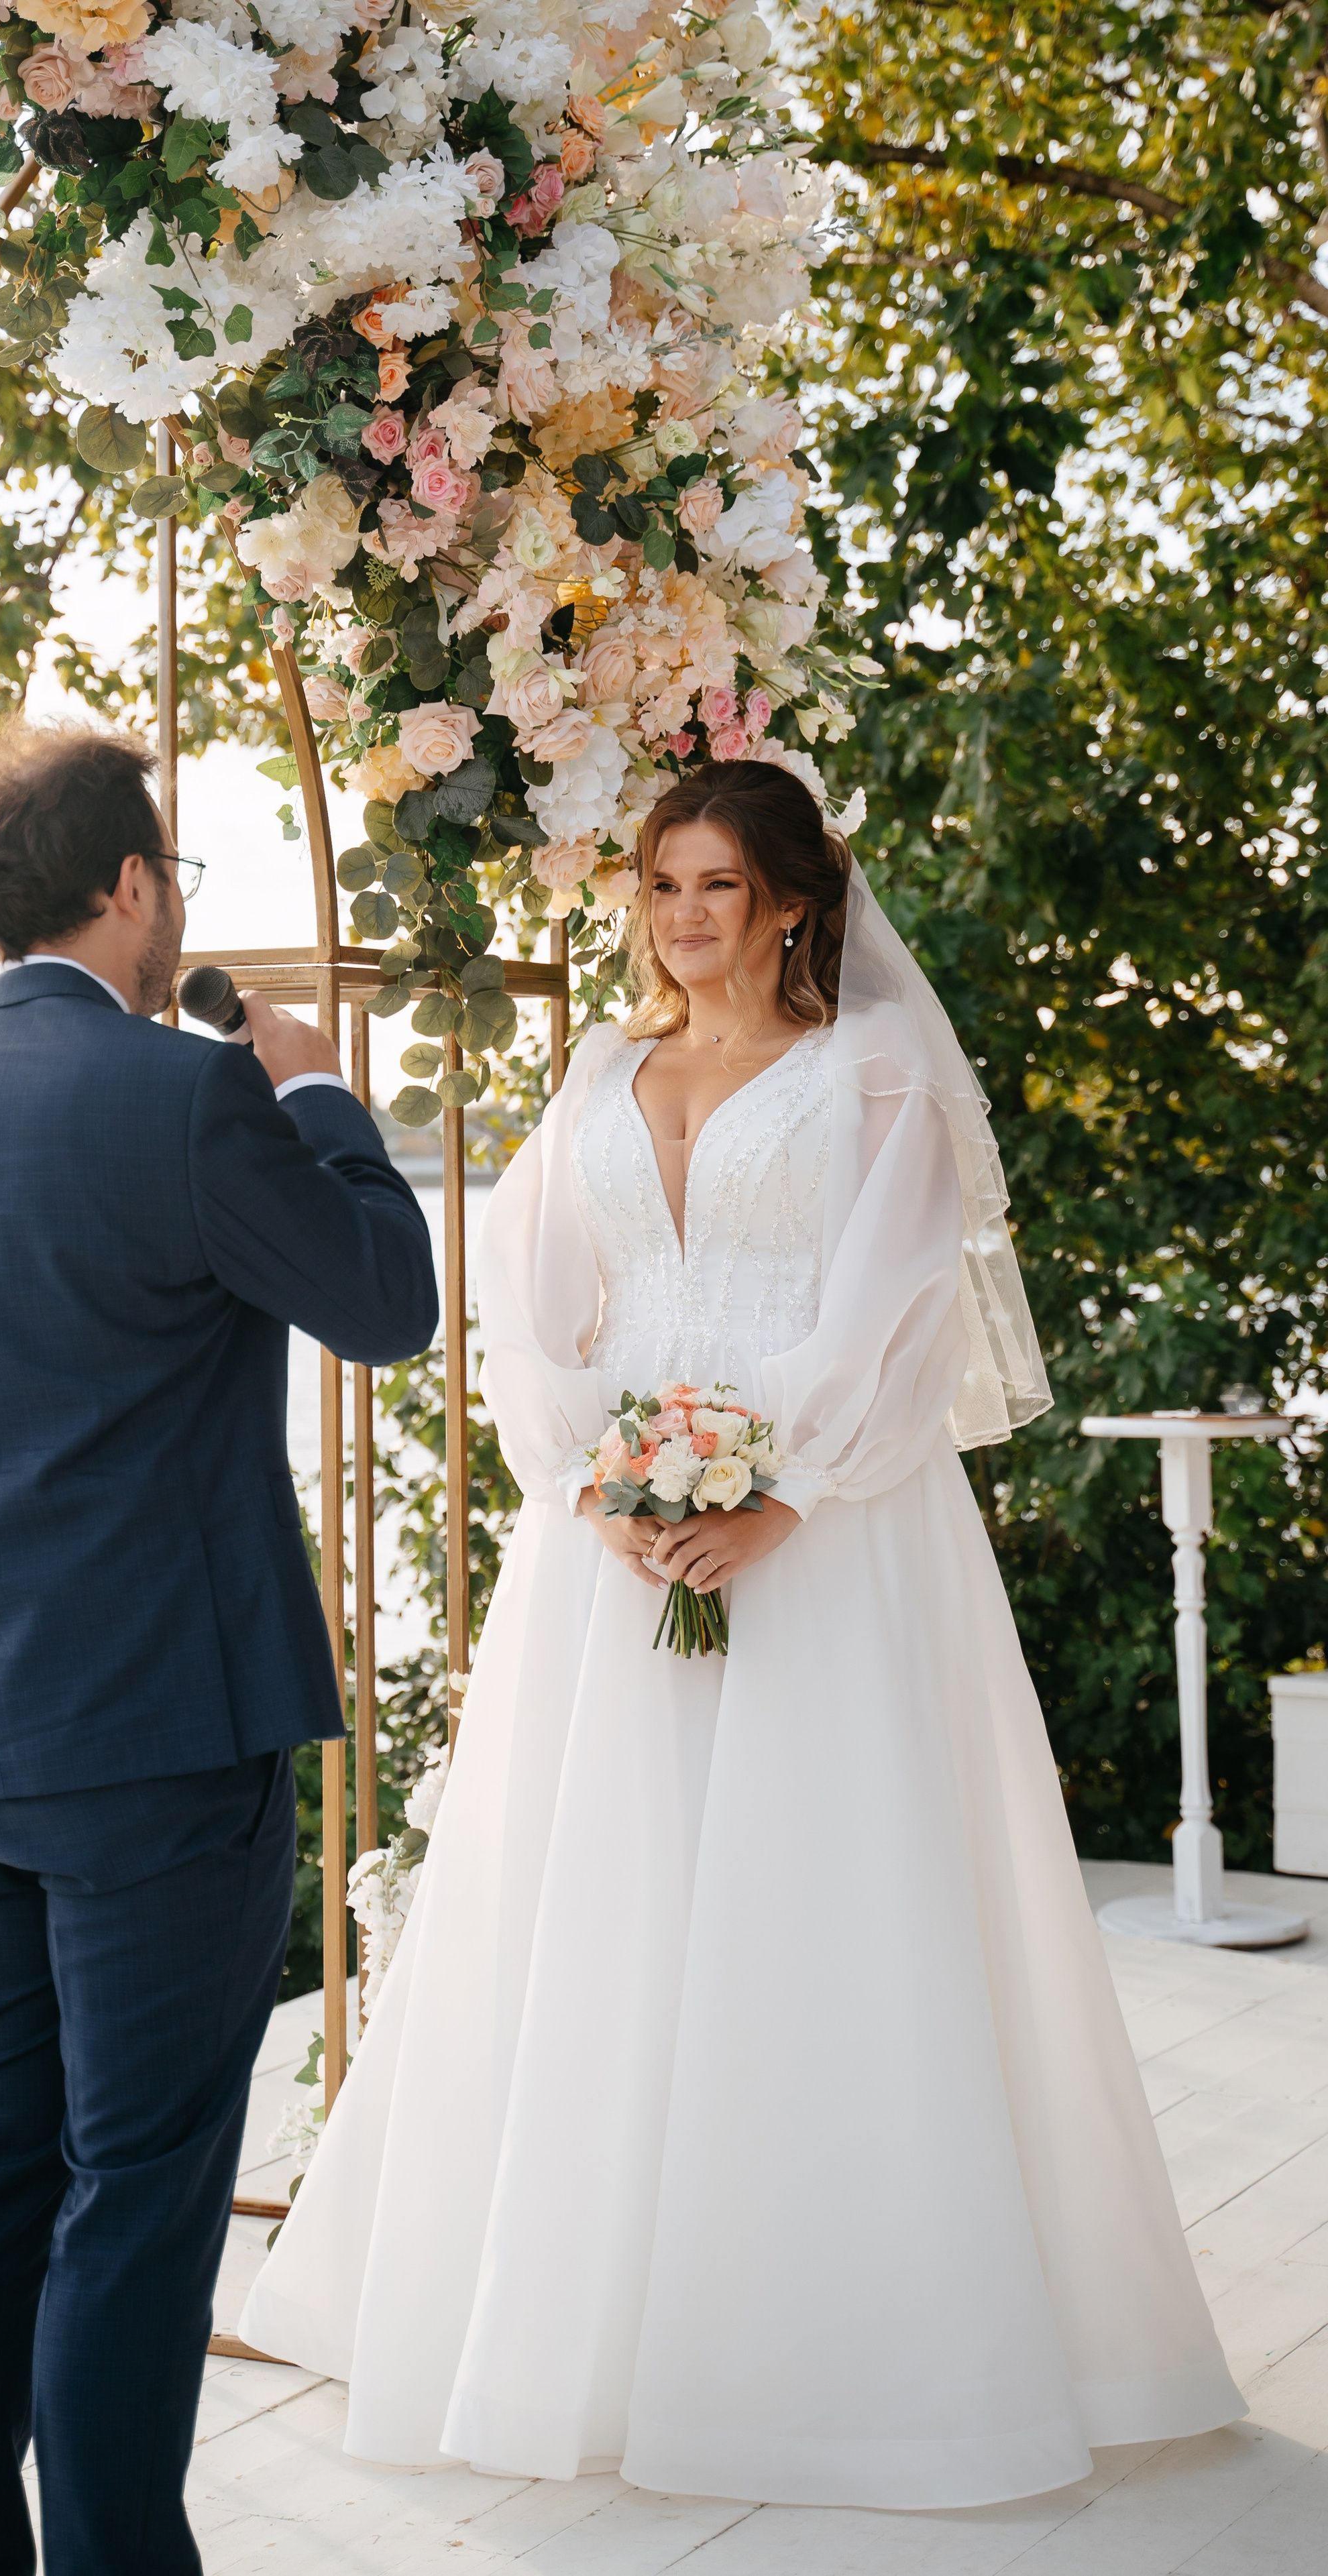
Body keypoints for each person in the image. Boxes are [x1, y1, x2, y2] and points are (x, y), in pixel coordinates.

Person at [240, 760, 1243, 2510]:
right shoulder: (601, 1072)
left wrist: (785, 1491)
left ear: (792, 899)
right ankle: (579, 2330)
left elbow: (899, 1303)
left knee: (824, 1905)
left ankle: (836, 2355)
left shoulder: (876, 1073)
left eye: (718, 886)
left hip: (833, 1538)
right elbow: (530, 1308)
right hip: (616, 1557)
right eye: (661, 885)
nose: (685, 919)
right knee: (603, 1908)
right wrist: (601, 1486)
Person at [0, 720, 437, 2576]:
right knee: (142, 2189)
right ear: (136, 886)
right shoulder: (190, 1097)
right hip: (163, 1743)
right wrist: (321, 1100)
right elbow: (386, 1301)